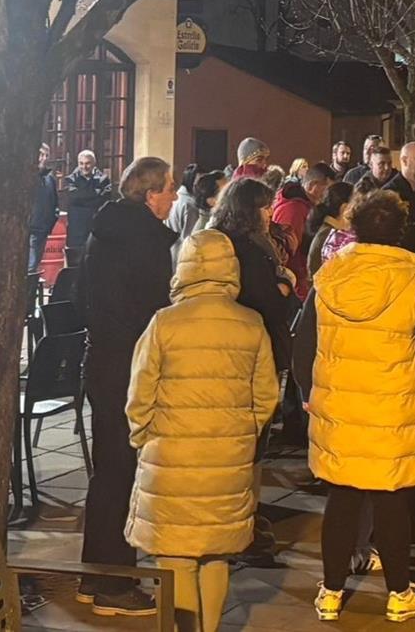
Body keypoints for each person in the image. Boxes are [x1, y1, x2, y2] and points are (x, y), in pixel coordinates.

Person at [125, 228, 281, 631]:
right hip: (227, 460)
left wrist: (143, 436)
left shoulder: (164, 324)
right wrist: (243, 431)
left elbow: (140, 394)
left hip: (171, 458)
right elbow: (266, 395)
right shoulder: (250, 324)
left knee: (175, 557)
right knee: (217, 554)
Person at [292, 189, 415, 624]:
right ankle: (399, 593)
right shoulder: (414, 280)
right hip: (394, 405)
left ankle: (331, 591)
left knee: (342, 499)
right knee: (392, 502)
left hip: (339, 403)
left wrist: (307, 393)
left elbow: (303, 343)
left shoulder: (330, 276)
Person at [76, 155, 179, 618]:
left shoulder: (106, 230)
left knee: (108, 471)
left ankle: (94, 573)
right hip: (128, 365)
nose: (174, 197)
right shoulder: (142, 239)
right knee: (122, 471)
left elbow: (84, 295)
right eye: (169, 189)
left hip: (104, 360)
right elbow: (153, 309)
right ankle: (113, 584)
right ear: (150, 192)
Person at [209, 176, 299, 373]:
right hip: (253, 348)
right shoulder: (248, 250)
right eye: (265, 208)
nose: (271, 213)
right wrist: (284, 285)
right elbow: (268, 305)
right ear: (249, 211)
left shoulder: (218, 239)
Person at [271, 162, 337, 298]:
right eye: (327, 189)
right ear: (313, 185)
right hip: (296, 286)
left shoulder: (306, 207)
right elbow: (289, 251)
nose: (328, 196)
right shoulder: (294, 210)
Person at [65, 149, 114, 269]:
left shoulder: (103, 179)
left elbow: (104, 200)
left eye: (87, 163)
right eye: (81, 163)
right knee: (75, 266)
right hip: (77, 229)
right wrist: (95, 194)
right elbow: (73, 197)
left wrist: (82, 198)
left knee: (96, 264)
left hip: (95, 227)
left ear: (94, 163)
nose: (84, 167)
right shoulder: (71, 179)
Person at [29, 144, 60, 273]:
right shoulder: (28, 177)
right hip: (31, 229)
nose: (44, 158)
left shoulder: (50, 179)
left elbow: (54, 203)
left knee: (35, 266)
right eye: (41, 155)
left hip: (43, 229)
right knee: (30, 267)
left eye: (47, 155)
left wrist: (50, 224)